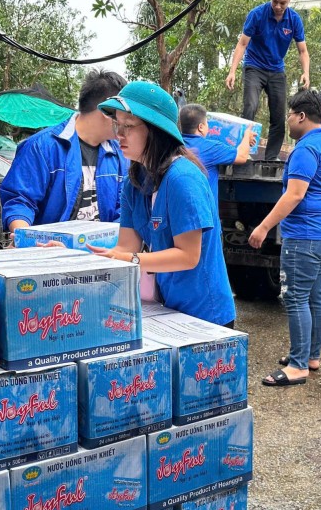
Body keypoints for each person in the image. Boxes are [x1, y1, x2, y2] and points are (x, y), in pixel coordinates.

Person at [89, 81, 235, 328]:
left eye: (128, 126)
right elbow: (126, 247)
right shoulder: (134, 181)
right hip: (167, 309)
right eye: (117, 125)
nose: (119, 135)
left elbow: (188, 256)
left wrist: (131, 260)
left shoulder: (183, 178)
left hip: (206, 316)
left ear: (156, 130)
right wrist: (72, 255)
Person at [248, 90, 321, 387]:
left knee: (296, 297)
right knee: (315, 295)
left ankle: (299, 365)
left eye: (289, 114)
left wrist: (263, 227)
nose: (287, 119)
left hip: (305, 235)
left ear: (301, 116)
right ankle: (310, 356)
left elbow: (295, 194)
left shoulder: (305, 149)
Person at [1, 70, 128, 232]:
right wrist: (24, 237)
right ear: (107, 111)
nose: (127, 122)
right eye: (125, 114)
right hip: (50, 250)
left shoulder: (119, 154)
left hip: (102, 250)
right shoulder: (42, 147)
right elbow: (20, 200)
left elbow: (123, 208)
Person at [225, 0, 310, 161]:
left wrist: (306, 73)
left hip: (277, 70)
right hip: (254, 66)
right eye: (275, 1)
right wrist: (232, 71)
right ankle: (244, 152)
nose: (278, 6)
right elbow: (242, 44)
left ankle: (271, 159)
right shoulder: (257, 14)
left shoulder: (294, 20)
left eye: (282, 3)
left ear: (289, 0)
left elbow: (303, 51)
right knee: (250, 106)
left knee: (279, 116)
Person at [178, 103, 257, 210]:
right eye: (207, 123)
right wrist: (247, 135)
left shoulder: (174, 145)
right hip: (206, 217)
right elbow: (242, 156)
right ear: (201, 127)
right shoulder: (212, 148)